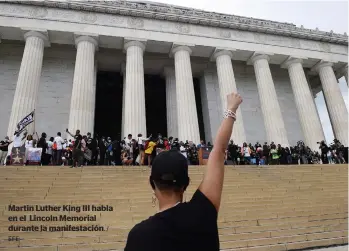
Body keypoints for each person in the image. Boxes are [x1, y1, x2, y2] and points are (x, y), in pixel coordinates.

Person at [124, 92, 242, 251]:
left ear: (152, 183)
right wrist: (231, 109)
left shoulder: (139, 236)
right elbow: (219, 150)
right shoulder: (203, 213)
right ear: (186, 183)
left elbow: (219, 150)